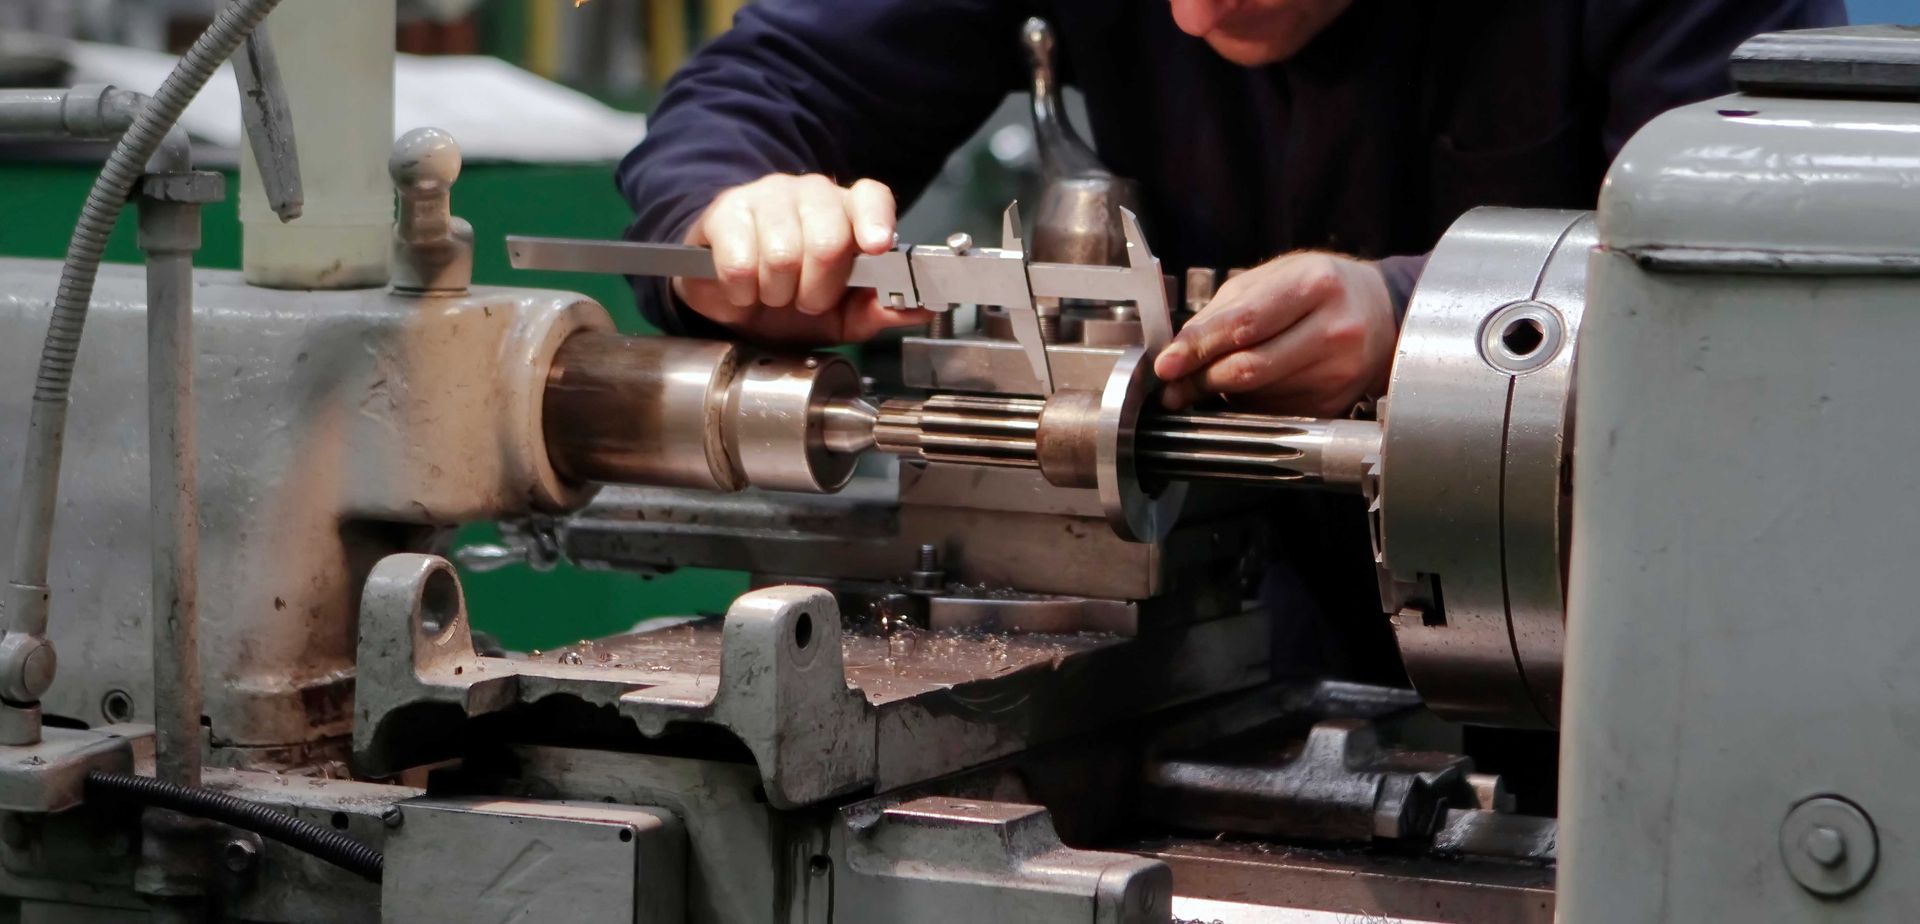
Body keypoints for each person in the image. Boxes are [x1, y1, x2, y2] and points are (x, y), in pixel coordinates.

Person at [618, 0, 1844, 420]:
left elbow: (1759, 275)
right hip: (1217, 612)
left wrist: (1426, 315)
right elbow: (772, 83)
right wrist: (733, 216)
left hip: (1598, 620)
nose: (1195, 18)